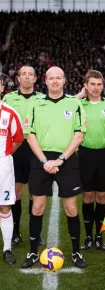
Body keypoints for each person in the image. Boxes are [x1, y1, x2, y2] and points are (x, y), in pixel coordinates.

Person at [21, 66, 87, 269]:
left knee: (71, 207)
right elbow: (29, 135)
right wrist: (44, 161)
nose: (55, 81)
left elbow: (79, 134)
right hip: (41, 159)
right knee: (38, 206)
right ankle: (33, 252)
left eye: (59, 78)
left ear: (64, 81)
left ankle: (76, 252)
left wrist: (60, 159)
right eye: (52, 78)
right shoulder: (35, 104)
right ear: (46, 81)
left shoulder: (74, 103)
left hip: (66, 159)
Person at [3, 65, 45, 246]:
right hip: (16, 149)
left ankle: (35, 234)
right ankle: (15, 233)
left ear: (35, 79)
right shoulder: (8, 98)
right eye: (23, 74)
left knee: (35, 193)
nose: (27, 77)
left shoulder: (43, 99)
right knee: (16, 192)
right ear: (18, 78)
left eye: (31, 74)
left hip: (36, 148)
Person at [75, 70, 105, 251]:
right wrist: (79, 95)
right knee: (87, 197)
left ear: (103, 86)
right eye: (92, 84)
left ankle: (99, 236)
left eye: (99, 84)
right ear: (86, 85)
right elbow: (64, 106)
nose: (96, 87)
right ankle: (88, 237)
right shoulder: (79, 104)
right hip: (85, 155)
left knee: (101, 197)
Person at [0, 75, 24, 264]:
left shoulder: (9, 113)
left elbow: (18, 138)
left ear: (2, 88)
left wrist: (7, 153)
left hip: (3, 165)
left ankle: (7, 249)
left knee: (4, 206)